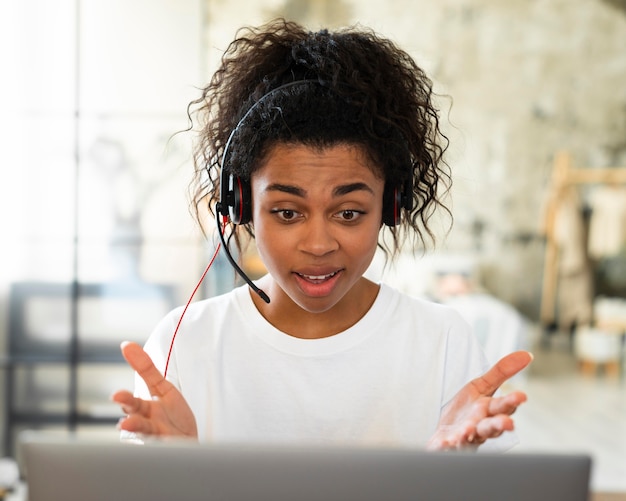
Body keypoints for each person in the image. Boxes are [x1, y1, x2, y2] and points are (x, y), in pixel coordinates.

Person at [112, 18, 532, 451]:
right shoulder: (186, 342)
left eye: (349, 212)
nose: (318, 245)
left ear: (390, 206)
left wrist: (450, 474)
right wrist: (175, 470)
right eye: (288, 212)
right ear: (242, 207)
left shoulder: (442, 342)